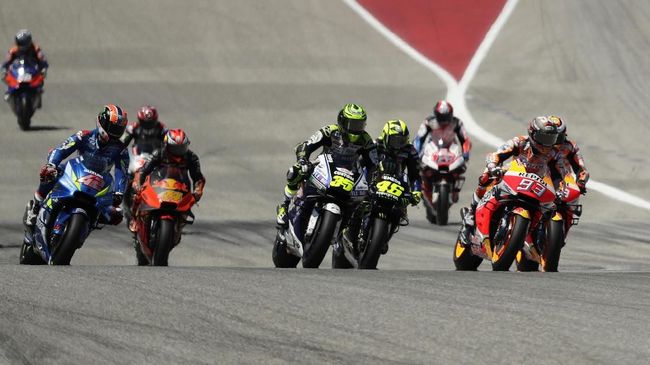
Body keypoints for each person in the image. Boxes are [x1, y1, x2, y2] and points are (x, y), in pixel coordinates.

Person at [459, 116, 561, 242]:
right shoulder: (520, 141)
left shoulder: (554, 153)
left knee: (551, 209)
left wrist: (560, 190)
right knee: (487, 177)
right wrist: (493, 165)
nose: (547, 144)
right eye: (544, 138)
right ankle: (470, 216)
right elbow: (499, 154)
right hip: (513, 174)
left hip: (537, 185)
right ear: (532, 134)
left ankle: (538, 237)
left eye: (551, 139)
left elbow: (560, 175)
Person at [24, 104, 129, 226]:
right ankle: (36, 207)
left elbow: (122, 172)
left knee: (116, 214)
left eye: (118, 130)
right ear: (102, 122)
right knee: (50, 174)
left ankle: (90, 222)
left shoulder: (121, 149)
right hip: (76, 171)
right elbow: (61, 149)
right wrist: (51, 165)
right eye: (113, 128)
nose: (115, 133)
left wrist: (119, 192)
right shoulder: (84, 135)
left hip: (99, 182)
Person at [275, 103, 377, 227]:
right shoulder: (330, 130)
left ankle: (345, 232)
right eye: (353, 124)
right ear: (342, 122)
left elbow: (374, 163)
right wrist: (302, 160)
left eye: (359, 125)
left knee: (364, 202)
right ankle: (284, 205)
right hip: (323, 166)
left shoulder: (366, 140)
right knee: (295, 171)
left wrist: (372, 182)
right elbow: (306, 146)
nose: (356, 129)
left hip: (349, 174)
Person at [130, 129, 206, 232]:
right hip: (159, 184)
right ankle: (134, 218)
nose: (179, 151)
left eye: (181, 148)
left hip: (180, 187)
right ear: (167, 145)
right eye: (175, 148)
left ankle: (179, 224)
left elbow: (198, 177)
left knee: (190, 201)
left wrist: (198, 190)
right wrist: (138, 182)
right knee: (137, 195)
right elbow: (144, 170)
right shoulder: (159, 153)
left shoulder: (191, 157)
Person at [413, 100, 471, 203]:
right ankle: (425, 187)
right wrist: (416, 153)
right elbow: (419, 138)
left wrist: (465, 153)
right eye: (441, 117)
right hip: (434, 148)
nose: (444, 120)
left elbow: (465, 139)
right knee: (420, 168)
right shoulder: (429, 122)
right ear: (436, 115)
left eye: (446, 116)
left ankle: (454, 189)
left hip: (451, 149)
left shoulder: (457, 123)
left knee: (461, 167)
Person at [1, 29, 48, 106]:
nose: (22, 45)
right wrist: (4, 67)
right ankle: (9, 91)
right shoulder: (13, 50)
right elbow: (7, 60)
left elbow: (42, 58)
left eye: (23, 43)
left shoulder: (35, 48)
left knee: (41, 76)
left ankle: (38, 94)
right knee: (5, 76)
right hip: (19, 68)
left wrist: (44, 66)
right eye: (20, 43)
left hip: (32, 68)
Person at [549, 116, 589, 194]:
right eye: (552, 137)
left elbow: (582, 169)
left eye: (559, 137)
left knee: (570, 203)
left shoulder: (570, 147)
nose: (555, 141)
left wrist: (581, 182)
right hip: (538, 180)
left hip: (562, 186)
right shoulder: (533, 144)